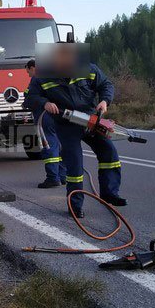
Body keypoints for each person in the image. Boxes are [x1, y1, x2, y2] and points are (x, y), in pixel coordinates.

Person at [24, 46, 125, 219]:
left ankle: (109, 193)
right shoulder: (42, 75)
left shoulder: (89, 69)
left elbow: (106, 85)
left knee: (109, 153)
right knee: (75, 165)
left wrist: (104, 101)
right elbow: (30, 97)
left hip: (91, 120)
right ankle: (75, 206)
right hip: (66, 123)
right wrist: (44, 102)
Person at [24, 59, 66, 188]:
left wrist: (26, 103)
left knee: (49, 145)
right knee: (60, 144)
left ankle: (53, 178)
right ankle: (63, 176)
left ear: (33, 68)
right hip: (62, 115)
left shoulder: (37, 78)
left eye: (27, 70)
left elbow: (30, 98)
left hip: (45, 116)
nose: (27, 73)